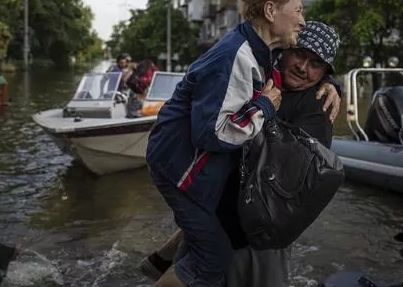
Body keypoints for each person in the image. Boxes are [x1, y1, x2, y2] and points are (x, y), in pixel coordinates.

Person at [142, 20, 341, 286]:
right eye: (300, 54)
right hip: (215, 204)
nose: (303, 67)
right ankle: (158, 262)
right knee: (198, 268)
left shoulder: (318, 105)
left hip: (256, 230)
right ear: (287, 48)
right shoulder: (261, 68)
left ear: (325, 71)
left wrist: (330, 84)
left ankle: (157, 262)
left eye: (316, 65)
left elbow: (290, 178)